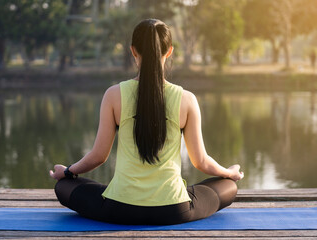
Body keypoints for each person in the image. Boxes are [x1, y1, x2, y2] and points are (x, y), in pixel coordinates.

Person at [49, 18, 244, 225]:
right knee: (228, 186)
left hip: (119, 209)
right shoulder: (187, 99)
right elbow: (200, 162)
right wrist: (229, 172)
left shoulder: (114, 95)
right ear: (169, 51)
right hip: (174, 211)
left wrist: (68, 171)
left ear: (133, 51)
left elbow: (98, 157)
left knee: (63, 187)